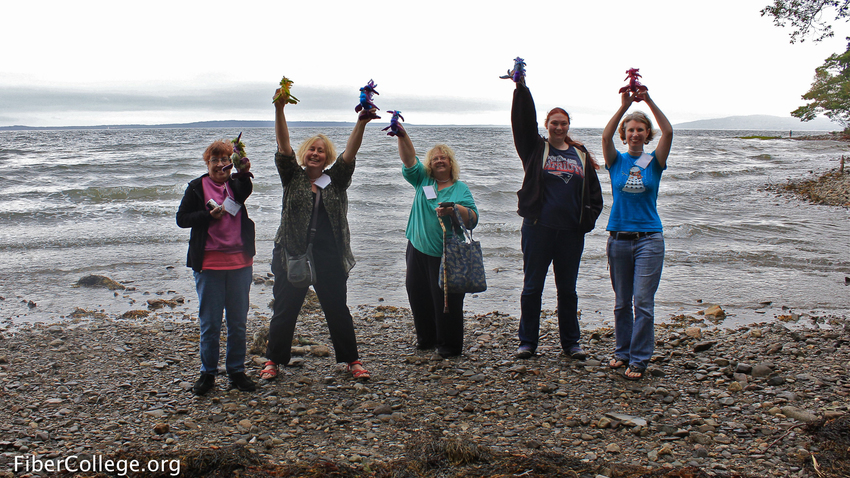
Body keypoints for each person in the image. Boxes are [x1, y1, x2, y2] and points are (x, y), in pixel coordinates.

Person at [260, 87, 373, 381]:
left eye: (321, 151)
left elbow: (351, 153)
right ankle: (273, 361)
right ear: (304, 153)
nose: (315, 153)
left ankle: (352, 361)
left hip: (329, 254)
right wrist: (279, 109)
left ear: (326, 157)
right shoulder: (292, 175)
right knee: (285, 309)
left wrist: (360, 123)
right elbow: (283, 143)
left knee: (337, 309)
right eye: (311, 149)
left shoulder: (335, 180)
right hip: (291, 251)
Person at [510, 75, 603, 360]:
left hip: (570, 234)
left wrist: (585, 223)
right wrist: (521, 89)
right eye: (554, 123)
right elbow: (522, 123)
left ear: (568, 127)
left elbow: (594, 197)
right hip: (538, 229)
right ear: (546, 126)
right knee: (532, 287)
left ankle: (571, 344)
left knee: (568, 291)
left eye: (563, 123)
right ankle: (527, 342)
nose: (559, 127)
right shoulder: (535, 149)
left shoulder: (581, 154)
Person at [601, 88, 673, 381]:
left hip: (649, 240)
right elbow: (604, 137)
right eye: (630, 130)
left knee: (642, 302)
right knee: (621, 302)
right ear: (624, 133)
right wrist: (624, 106)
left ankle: (640, 359)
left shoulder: (653, 161)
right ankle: (622, 352)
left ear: (646, 134)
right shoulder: (616, 160)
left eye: (640, 130)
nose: (635, 134)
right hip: (618, 239)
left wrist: (648, 101)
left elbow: (668, 131)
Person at [176, 140, 256, 396]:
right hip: (208, 263)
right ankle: (208, 373)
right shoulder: (197, 187)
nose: (221, 164)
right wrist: (207, 216)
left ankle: (236, 371)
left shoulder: (236, 184)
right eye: (215, 160)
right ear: (207, 162)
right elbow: (182, 219)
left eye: (225, 160)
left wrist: (243, 170)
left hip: (240, 262)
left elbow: (245, 187)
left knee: (237, 322)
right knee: (210, 323)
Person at [392, 123, 479, 358]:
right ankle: (426, 338)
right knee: (417, 292)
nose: (439, 161)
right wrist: (402, 134)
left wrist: (454, 210)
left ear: (451, 163)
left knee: (446, 299)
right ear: (430, 164)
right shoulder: (423, 180)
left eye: (444, 158)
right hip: (417, 248)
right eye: (435, 158)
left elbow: (472, 219)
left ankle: (448, 345)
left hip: (446, 252)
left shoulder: (461, 188)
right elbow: (410, 160)